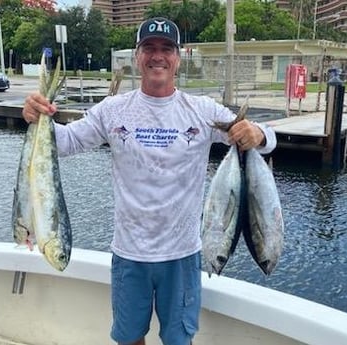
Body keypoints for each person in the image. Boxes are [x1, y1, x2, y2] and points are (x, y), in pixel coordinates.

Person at [22, 17, 276, 345]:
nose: (158, 56)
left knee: (178, 340)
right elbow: (65, 142)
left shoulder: (201, 110)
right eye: (149, 48)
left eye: (166, 49)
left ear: (178, 57)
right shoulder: (112, 110)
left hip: (182, 254)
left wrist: (256, 133)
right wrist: (34, 118)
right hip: (129, 253)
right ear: (137, 57)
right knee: (129, 339)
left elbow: (267, 139)